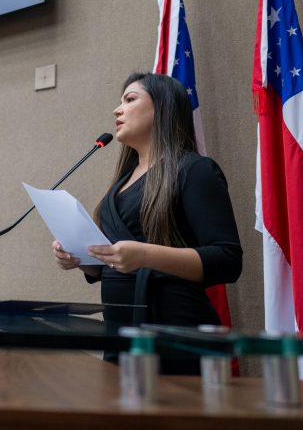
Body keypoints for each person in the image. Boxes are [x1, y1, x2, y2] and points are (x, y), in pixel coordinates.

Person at [52, 72, 242, 374]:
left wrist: (144, 255)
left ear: (162, 107)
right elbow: (119, 262)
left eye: (129, 100)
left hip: (177, 335)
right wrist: (83, 260)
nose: (117, 110)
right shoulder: (122, 182)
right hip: (122, 335)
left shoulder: (194, 170)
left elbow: (228, 260)